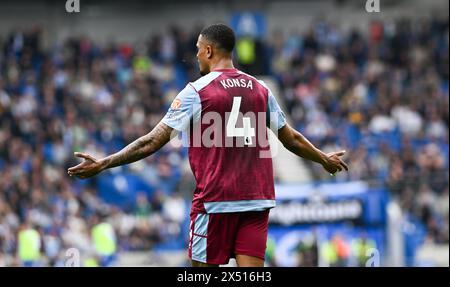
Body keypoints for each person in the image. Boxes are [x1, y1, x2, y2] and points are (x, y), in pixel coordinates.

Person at [67, 23, 348, 267]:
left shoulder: (197, 91)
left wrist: (105, 162)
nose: (197, 54)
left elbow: (152, 141)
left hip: (216, 201)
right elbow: (291, 138)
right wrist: (323, 159)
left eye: (199, 49)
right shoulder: (261, 89)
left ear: (210, 51)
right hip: (256, 199)